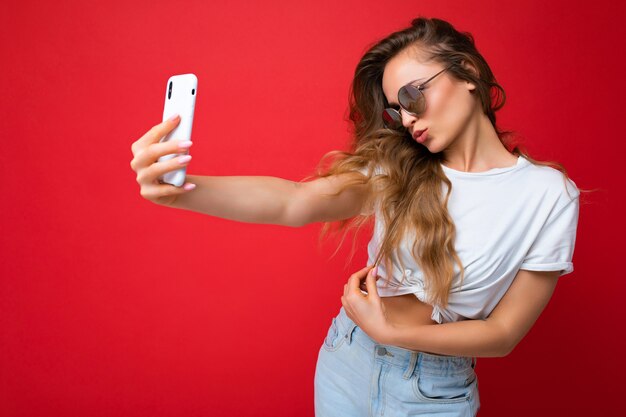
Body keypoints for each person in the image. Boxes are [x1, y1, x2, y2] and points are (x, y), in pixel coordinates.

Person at [130, 16, 581, 417]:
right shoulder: (397, 167)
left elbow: (503, 334)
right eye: (396, 108)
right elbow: (294, 201)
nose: (407, 119)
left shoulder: (547, 195)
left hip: (434, 392)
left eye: (412, 96)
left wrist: (388, 330)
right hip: (349, 359)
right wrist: (183, 193)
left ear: (468, 72)